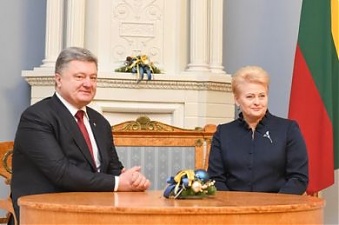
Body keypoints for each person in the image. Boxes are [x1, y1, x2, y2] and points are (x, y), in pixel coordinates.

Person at [10, 47, 151, 223]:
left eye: (93, 78)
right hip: (47, 213)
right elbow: (61, 173)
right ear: (58, 79)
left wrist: (132, 179)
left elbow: (113, 169)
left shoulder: (99, 121)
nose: (88, 83)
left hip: (94, 211)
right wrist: (118, 183)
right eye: (79, 76)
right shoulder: (37, 117)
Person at [207, 66, 308, 195]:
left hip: (279, 209)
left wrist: (275, 205)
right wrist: (233, 206)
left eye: (262, 96)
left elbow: (298, 178)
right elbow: (215, 179)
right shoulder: (223, 133)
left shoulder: (288, 129)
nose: (257, 102)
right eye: (250, 97)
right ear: (237, 100)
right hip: (234, 209)